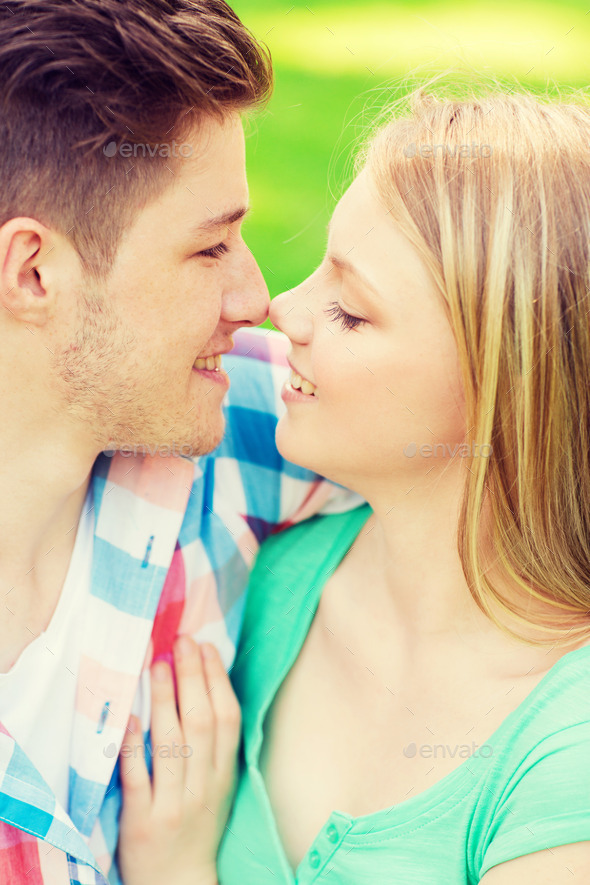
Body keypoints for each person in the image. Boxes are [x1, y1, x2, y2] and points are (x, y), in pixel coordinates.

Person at [0, 2, 361, 884]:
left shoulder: (240, 426)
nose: (256, 296)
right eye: (209, 249)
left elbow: (510, 416)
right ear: (32, 271)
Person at [205, 89, 590, 883]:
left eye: (350, 310)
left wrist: (173, 868)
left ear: (501, 388)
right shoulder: (266, 581)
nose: (285, 309)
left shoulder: (566, 750)